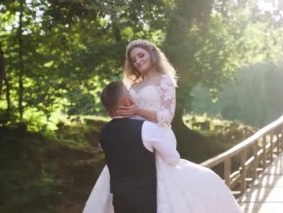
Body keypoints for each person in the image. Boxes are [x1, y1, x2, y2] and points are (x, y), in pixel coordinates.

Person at [84, 39, 241, 213]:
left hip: (155, 132)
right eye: (133, 59)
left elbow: (168, 115)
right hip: (133, 139)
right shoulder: (133, 86)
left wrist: (139, 111)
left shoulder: (164, 80)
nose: (138, 61)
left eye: (141, 55)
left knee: (176, 183)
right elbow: (125, 109)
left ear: (152, 53)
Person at [83, 81, 180, 213]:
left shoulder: (103, 135)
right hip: (148, 200)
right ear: (128, 102)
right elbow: (173, 158)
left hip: (120, 200)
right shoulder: (146, 129)